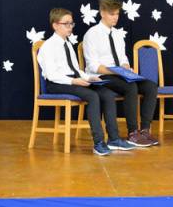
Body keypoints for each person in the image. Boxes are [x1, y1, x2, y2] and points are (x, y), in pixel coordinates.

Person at [37, 8, 134, 155]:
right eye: (66, 24)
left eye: (71, 23)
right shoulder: (48, 46)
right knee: (92, 96)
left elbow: (76, 69)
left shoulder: (68, 44)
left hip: (74, 79)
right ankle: (98, 142)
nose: (70, 27)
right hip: (57, 84)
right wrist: (74, 81)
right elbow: (52, 75)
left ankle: (113, 139)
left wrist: (89, 78)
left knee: (107, 94)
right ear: (55, 25)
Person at [83, 0, 158, 148]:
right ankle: (132, 133)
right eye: (112, 14)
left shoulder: (117, 34)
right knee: (130, 87)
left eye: (117, 14)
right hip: (102, 76)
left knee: (150, 86)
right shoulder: (92, 34)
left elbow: (123, 58)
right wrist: (116, 72)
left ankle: (144, 130)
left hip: (120, 75)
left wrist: (125, 68)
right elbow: (92, 66)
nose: (115, 17)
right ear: (102, 13)